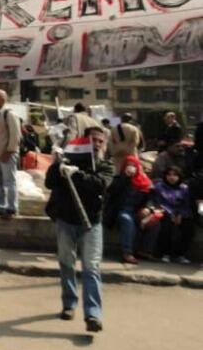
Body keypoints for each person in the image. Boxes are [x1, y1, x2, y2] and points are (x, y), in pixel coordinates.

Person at [45, 127, 112, 332]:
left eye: (101, 141)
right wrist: (57, 166)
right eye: (93, 140)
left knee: (91, 267)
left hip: (91, 223)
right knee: (66, 262)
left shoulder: (106, 165)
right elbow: (50, 183)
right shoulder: (68, 159)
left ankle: (93, 314)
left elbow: (100, 184)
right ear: (84, 141)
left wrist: (77, 175)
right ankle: (69, 303)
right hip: (66, 220)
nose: (97, 144)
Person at [104, 155, 159, 264]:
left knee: (154, 222)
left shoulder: (144, 181)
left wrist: (148, 208)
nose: (131, 168)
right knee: (127, 220)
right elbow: (113, 192)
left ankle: (145, 251)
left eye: (134, 166)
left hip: (138, 210)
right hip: (122, 210)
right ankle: (127, 253)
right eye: (129, 165)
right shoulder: (118, 179)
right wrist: (126, 177)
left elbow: (151, 197)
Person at [0, 89, 22, 219]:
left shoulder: (9, 114)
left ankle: (12, 208)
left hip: (7, 153)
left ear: (3, 100)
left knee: (10, 182)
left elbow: (15, 135)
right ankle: (0, 206)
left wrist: (9, 151)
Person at [153, 166, 194, 264]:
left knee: (188, 227)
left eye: (175, 175)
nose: (172, 177)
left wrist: (180, 214)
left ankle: (180, 255)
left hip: (180, 213)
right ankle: (165, 253)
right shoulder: (159, 187)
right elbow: (158, 202)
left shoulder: (184, 188)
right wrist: (171, 214)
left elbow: (186, 204)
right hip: (165, 212)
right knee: (166, 226)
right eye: (169, 175)